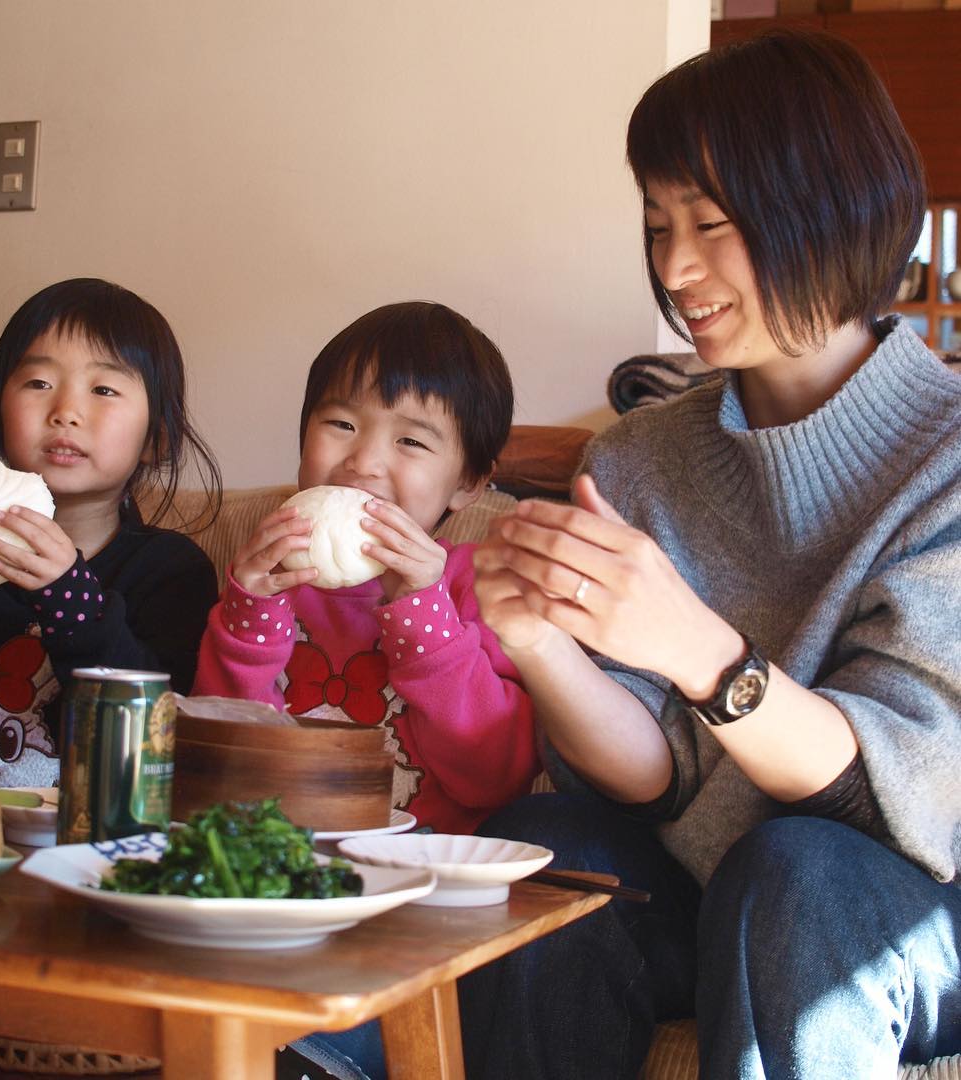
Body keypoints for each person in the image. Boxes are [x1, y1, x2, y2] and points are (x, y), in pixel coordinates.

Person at [459, 29, 961, 1080]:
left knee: (795, 875)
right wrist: (542, 648)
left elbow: (893, 799)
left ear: (833, 209)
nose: (675, 268)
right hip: (708, 887)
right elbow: (649, 778)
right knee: (545, 850)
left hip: (914, 901)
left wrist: (700, 650)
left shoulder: (950, 453)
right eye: (656, 223)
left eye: (713, 224)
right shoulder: (639, 459)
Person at [193, 301, 537, 836]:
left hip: (425, 876)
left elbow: (491, 779)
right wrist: (247, 619)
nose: (363, 462)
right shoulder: (266, 579)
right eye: (342, 423)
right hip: (276, 859)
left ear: (469, 482)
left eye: (411, 441)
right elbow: (220, 769)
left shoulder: (480, 586)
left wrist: (427, 616)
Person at [0, 278, 222, 788]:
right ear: (0, 413)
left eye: (103, 389)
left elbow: (154, 735)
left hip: (73, 847)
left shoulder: (170, 569)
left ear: (156, 440)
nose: (65, 410)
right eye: (38, 383)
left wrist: (68, 595)